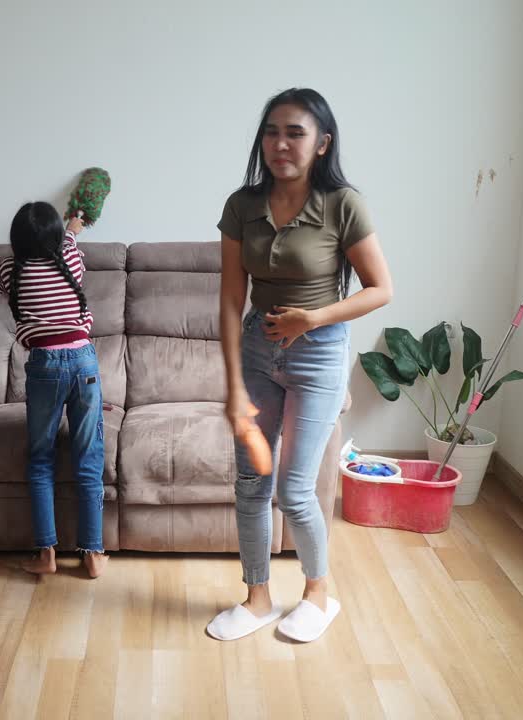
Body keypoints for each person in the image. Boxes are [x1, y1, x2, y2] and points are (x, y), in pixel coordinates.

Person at [207, 88, 393, 643]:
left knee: (293, 490)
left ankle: (317, 593)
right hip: (257, 353)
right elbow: (230, 300)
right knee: (250, 482)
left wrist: (312, 318)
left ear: (322, 143)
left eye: (295, 133)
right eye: (272, 132)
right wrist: (233, 384)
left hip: (319, 353)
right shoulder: (242, 206)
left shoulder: (342, 204)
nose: (280, 144)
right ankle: (258, 597)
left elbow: (380, 288)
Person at [0, 202, 108, 578]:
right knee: (88, 456)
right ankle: (93, 554)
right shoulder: (70, 260)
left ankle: (47, 554)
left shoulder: (9, 270)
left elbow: (0, 278)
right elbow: (71, 241)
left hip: (44, 365)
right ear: (57, 238)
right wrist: (72, 226)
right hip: (83, 360)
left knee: (40, 458)